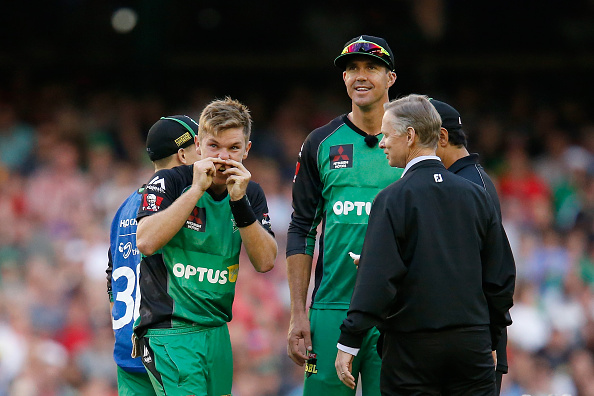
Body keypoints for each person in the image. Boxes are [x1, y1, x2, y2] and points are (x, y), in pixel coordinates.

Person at [335, 94, 515, 395]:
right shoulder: (475, 195)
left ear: (410, 136)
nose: (381, 142)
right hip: (472, 347)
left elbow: (377, 279)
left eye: (387, 134)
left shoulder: (392, 199)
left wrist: (350, 340)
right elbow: (500, 276)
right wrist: (493, 336)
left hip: (411, 349)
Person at [133, 97, 277, 396]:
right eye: (214, 146)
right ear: (197, 145)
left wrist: (240, 203)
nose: (224, 156)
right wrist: (196, 189)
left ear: (247, 150)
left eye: (234, 148)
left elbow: (265, 262)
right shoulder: (169, 181)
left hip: (217, 333)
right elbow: (145, 241)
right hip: (173, 332)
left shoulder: (251, 193)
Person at [286, 35, 402, 395]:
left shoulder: (411, 142)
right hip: (331, 308)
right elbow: (301, 229)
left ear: (391, 78)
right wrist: (298, 313)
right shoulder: (320, 143)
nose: (360, 76)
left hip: (397, 310)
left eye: (372, 67)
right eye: (352, 68)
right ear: (344, 78)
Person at [106, 114, 201, 396]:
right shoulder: (184, 203)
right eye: (202, 146)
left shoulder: (126, 206)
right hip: (166, 352)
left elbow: (111, 280)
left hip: (127, 350)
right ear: (183, 154)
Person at [431, 98, 509, 394]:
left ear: (441, 137)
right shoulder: (467, 179)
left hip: (474, 346)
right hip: (470, 342)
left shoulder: (468, 186)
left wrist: (486, 338)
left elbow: (491, 272)